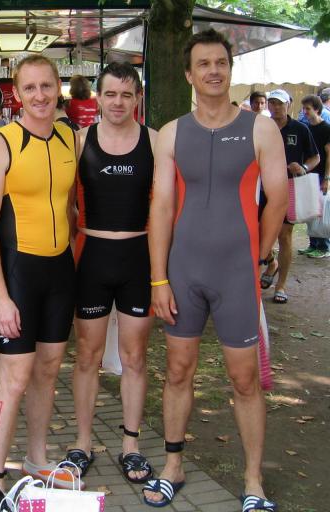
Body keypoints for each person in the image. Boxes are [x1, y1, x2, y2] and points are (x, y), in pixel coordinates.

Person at [145, 29, 287, 511]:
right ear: (189, 74)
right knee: (177, 371)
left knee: (245, 380)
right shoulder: (172, 133)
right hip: (184, 272)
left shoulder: (260, 129)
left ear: (230, 69)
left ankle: (253, 482)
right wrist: (159, 279)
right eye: (203, 64)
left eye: (220, 63)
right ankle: (172, 466)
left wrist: (258, 257)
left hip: (235, 274)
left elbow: (277, 199)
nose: (213, 71)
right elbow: (162, 208)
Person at [0, 55, 77, 491]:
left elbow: (69, 206)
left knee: (48, 371)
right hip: (19, 274)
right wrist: (0, 297)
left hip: (60, 272)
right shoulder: (2, 143)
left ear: (58, 89)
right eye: (30, 88)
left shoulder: (69, 137)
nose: (39, 95)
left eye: (46, 86)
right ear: (17, 93)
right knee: (15, 377)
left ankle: (37, 460)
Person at [68, 62, 157, 485]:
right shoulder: (79, 140)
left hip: (138, 258)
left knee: (135, 357)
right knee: (87, 356)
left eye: (126, 94)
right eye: (110, 94)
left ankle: (131, 445)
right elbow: (64, 203)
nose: (118, 102)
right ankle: (82, 443)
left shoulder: (155, 141)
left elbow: (166, 207)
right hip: (92, 257)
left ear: (137, 97)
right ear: (98, 98)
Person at [261, 89, 319, 304]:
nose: (276, 107)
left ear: (289, 105)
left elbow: (315, 157)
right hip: (262, 187)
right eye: (272, 103)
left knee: (284, 236)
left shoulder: (300, 129)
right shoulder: (261, 127)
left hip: (289, 187)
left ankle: (281, 285)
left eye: (280, 103)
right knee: (258, 232)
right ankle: (271, 263)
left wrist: (303, 167)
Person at [299, 94, 330, 257]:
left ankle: (324, 246)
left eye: (308, 109)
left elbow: (329, 155)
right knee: (310, 210)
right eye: (303, 108)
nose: (305, 112)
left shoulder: (326, 128)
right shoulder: (305, 128)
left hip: (321, 174)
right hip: (308, 174)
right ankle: (313, 243)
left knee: (321, 210)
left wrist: (327, 178)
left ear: (317, 109)